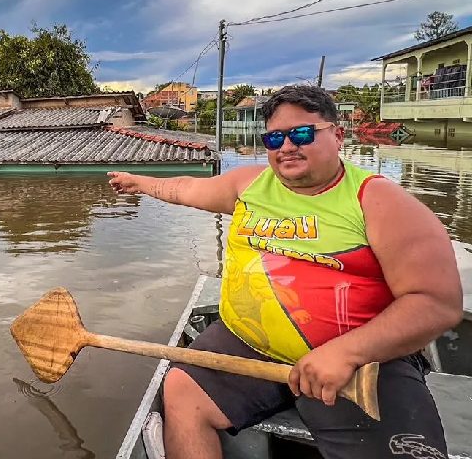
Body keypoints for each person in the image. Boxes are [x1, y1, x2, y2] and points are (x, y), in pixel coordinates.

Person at [108, 85, 462, 459]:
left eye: (303, 134)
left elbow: (436, 302)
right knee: (180, 389)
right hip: (247, 342)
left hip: (364, 362)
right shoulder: (249, 185)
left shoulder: (379, 201)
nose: (287, 146)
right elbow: (184, 188)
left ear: (337, 136)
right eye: (275, 137)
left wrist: (345, 353)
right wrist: (138, 183)